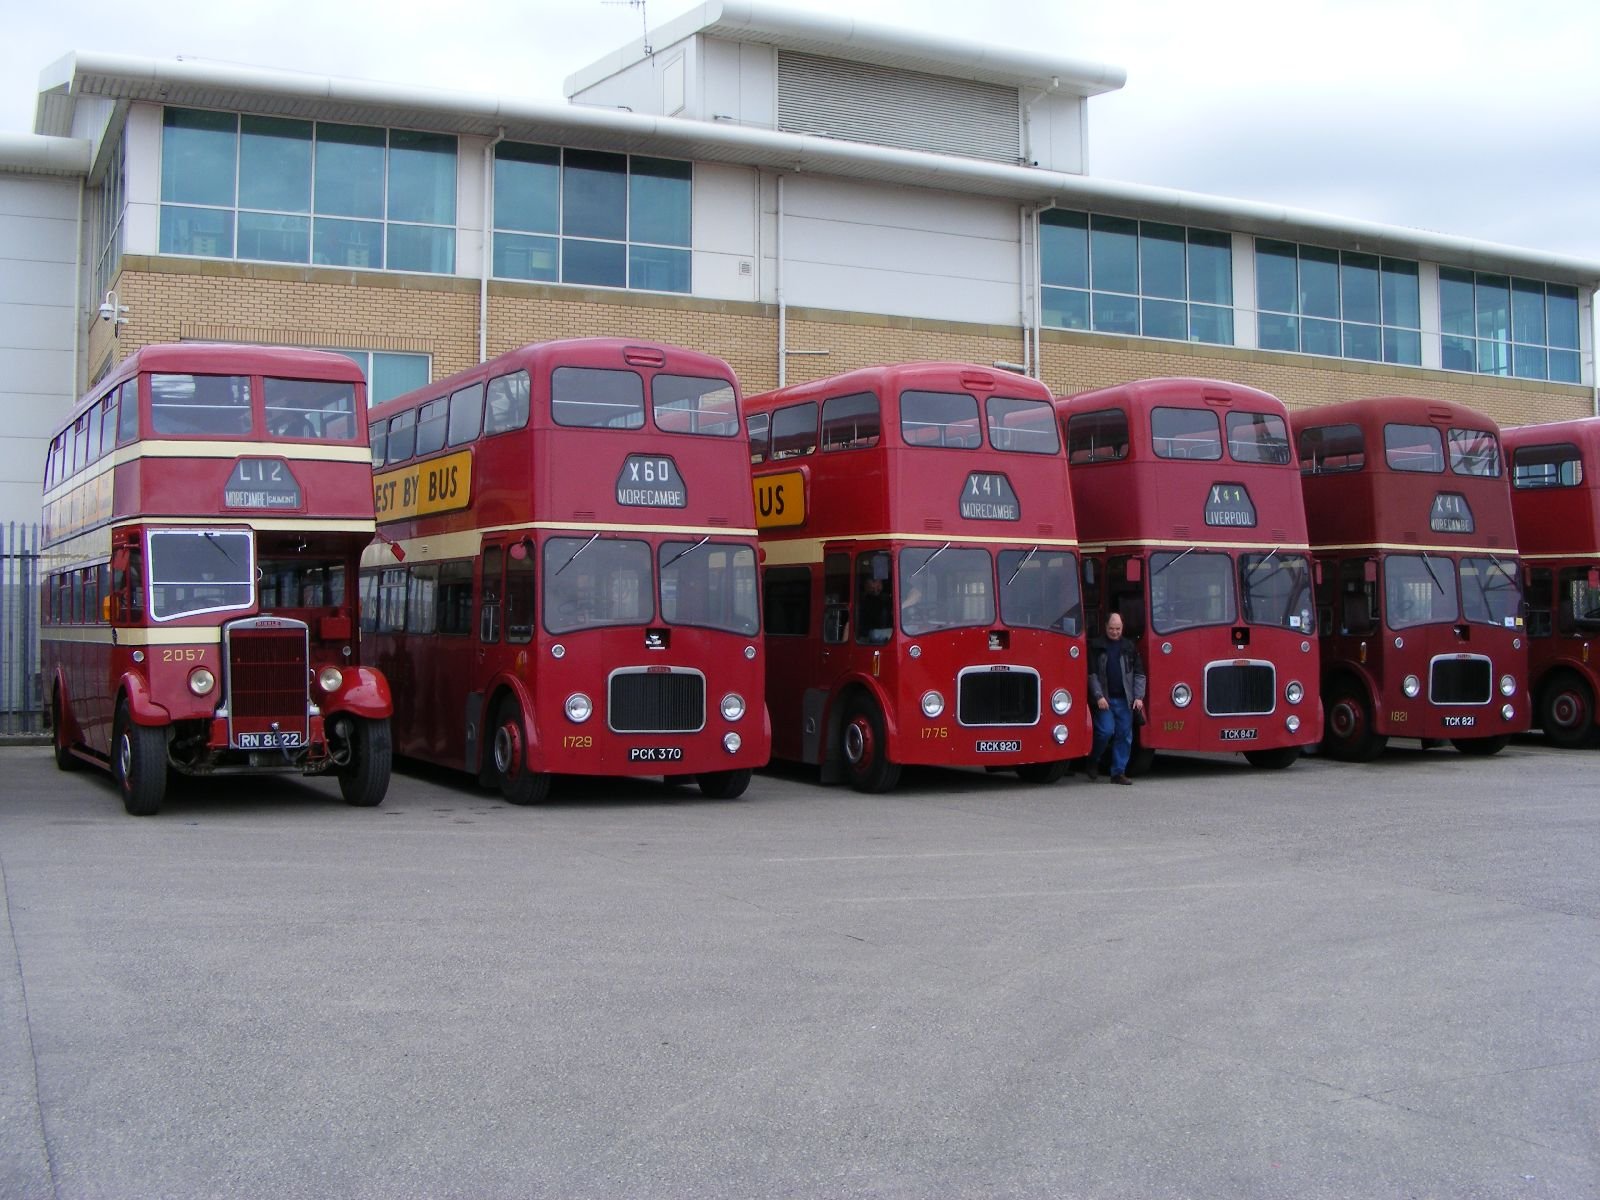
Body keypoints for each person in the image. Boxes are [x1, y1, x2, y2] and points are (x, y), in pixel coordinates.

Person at [1085, 611, 1146, 785]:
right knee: (1105, 731)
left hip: (1124, 700)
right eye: (1112, 628)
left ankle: (1118, 773)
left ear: (1122, 628)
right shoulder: (1096, 646)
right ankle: (1093, 759)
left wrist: (1139, 697)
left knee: (1125, 736)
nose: (1115, 632)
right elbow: (1092, 675)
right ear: (1105, 627)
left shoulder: (1129, 647)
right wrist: (1098, 696)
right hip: (1105, 699)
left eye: (1118, 629)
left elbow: (1139, 674)